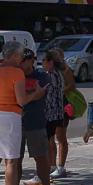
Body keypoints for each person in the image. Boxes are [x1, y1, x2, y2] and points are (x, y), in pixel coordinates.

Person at [12, 50, 60, 185]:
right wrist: (31, 94)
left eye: (24, 59)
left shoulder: (41, 76)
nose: (21, 62)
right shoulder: (14, 75)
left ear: (32, 60)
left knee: (41, 157)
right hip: (16, 122)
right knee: (14, 159)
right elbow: (17, 97)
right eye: (20, 59)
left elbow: (40, 93)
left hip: (36, 121)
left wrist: (24, 96)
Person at [40, 48, 74, 178]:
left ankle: (60, 166)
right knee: (50, 140)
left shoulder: (56, 73)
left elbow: (71, 85)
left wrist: (58, 95)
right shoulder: (53, 73)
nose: (42, 62)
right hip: (53, 110)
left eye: (44, 60)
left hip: (58, 109)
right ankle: (52, 165)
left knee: (60, 138)